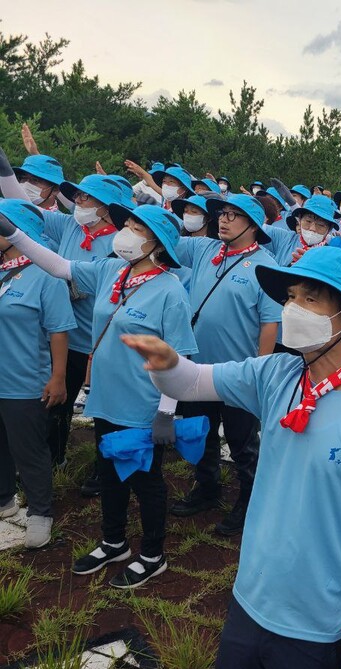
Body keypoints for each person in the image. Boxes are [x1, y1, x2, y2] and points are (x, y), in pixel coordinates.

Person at [128, 246, 341, 669]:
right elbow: (191, 383)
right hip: (252, 598)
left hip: (323, 622)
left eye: (310, 298)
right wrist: (167, 363)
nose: (292, 309)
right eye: (290, 296)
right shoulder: (276, 374)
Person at [1, 201, 197, 589]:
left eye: (138, 228)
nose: (127, 231)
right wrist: (13, 233)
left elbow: (181, 358)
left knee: (146, 480)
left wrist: (167, 412)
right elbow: (59, 266)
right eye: (130, 224)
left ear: (156, 243)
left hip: (143, 403)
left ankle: (153, 554)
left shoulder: (170, 290)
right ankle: (114, 541)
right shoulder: (112, 271)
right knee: (109, 474)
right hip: (107, 397)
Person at [0, 148, 130, 487]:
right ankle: (53, 459)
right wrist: (4, 171)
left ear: (105, 208)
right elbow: (23, 214)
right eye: (79, 196)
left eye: (88, 197)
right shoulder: (71, 226)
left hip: (98, 341)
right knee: (57, 403)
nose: (80, 202)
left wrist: (80, 284)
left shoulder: (122, 243)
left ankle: (105, 469)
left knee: (103, 409)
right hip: (64, 334)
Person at [168, 194, 281, 536]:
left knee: (243, 443)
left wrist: (260, 374)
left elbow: (269, 325)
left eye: (234, 215)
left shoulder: (266, 265)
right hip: (196, 368)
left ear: (253, 225)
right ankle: (208, 488)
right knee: (200, 433)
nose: (224, 219)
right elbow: (168, 241)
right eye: (223, 213)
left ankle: (249, 502)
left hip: (238, 374)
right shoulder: (205, 250)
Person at [0, 199, 77, 548]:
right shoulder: (2, 268)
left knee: (29, 451)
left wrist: (58, 377)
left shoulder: (46, 274)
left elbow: (59, 330)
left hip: (25, 381)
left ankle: (41, 513)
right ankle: (4, 501)